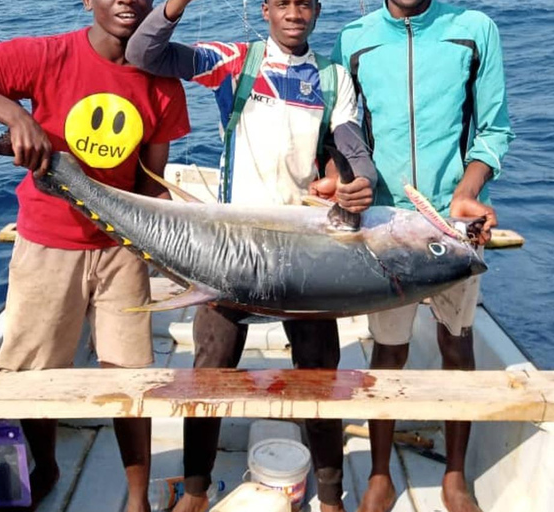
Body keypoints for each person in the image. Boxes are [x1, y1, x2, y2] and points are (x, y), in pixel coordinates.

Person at [0, 1, 190, 510]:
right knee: (35, 373)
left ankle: (136, 496)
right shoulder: (48, 55)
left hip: (121, 248)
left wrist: (178, 236)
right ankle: (48, 465)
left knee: (129, 377)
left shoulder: (162, 82)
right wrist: (14, 114)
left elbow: (152, 185)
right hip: (45, 245)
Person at [127, 1, 377, 511]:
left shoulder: (332, 77)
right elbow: (145, 53)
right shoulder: (235, 60)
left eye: (303, 3)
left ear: (316, 10)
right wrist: (176, 5)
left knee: (320, 372)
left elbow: (350, 141)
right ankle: (196, 491)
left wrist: (362, 179)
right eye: (281, 2)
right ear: (264, 10)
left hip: (304, 250)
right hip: (232, 249)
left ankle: (330, 498)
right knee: (210, 368)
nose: (293, 13)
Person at [333, 1, 515, 511]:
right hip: (386, 224)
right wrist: (345, 181)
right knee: (388, 350)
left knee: (457, 345)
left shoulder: (475, 30)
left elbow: (494, 128)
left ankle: (456, 476)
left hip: (453, 224)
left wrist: (468, 189)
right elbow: (342, 127)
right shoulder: (353, 38)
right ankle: (378, 475)